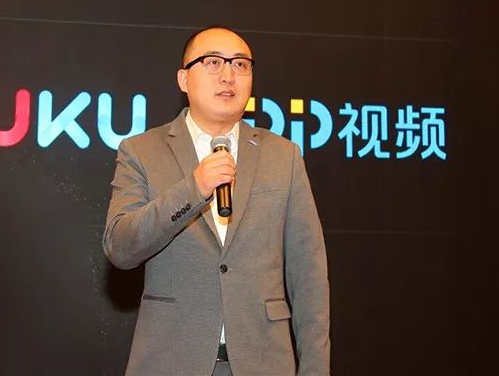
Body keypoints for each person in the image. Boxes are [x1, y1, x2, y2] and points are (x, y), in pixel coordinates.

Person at [103, 26, 330, 375]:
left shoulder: (283, 156)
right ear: (184, 79)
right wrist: (194, 189)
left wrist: (315, 370)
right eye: (212, 62)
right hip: (171, 361)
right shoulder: (141, 151)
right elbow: (121, 247)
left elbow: (308, 273)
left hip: (264, 361)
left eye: (240, 64)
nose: (228, 75)